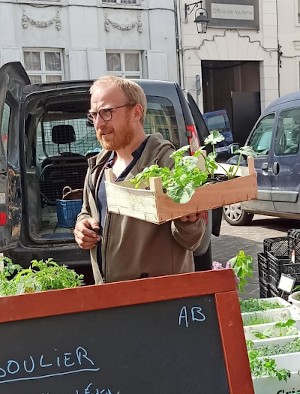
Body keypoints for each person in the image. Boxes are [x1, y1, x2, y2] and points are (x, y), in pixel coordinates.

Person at [74, 75, 207, 284]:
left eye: (107, 112)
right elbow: (86, 211)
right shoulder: (97, 167)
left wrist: (188, 221)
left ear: (136, 112)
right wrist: (82, 226)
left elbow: (194, 242)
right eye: (94, 115)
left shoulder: (166, 163)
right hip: (111, 298)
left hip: (157, 301)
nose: (99, 124)